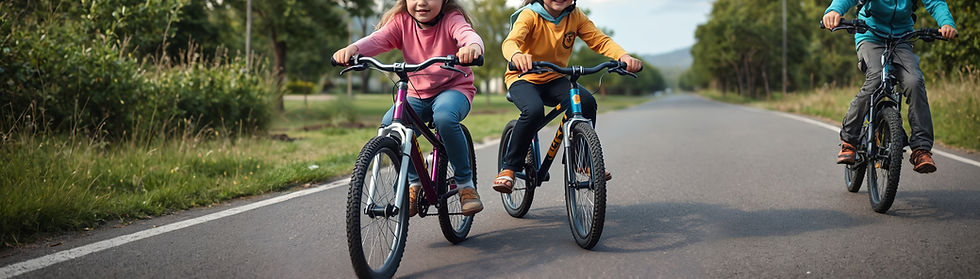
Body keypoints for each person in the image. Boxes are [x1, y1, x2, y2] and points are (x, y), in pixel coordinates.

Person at [332, 0, 484, 216]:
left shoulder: (452, 19)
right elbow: (378, 39)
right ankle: (414, 181)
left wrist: (472, 48)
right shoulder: (401, 22)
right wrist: (353, 49)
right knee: (390, 125)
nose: (421, 2)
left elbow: (468, 35)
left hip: (454, 88)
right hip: (416, 92)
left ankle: (465, 184)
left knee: (444, 118)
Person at [492, 0, 642, 193]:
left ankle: (581, 160)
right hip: (523, 77)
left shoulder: (575, 16)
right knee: (534, 111)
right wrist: (517, 55)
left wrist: (623, 57)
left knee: (586, 102)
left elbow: (600, 40)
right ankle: (509, 168)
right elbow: (511, 41)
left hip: (554, 77)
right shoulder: (530, 15)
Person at [823, 0, 957, 173]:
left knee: (914, 82)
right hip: (870, 35)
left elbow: (935, 3)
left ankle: (921, 150)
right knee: (876, 78)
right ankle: (849, 140)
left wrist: (946, 23)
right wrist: (834, 11)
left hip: (902, 39)